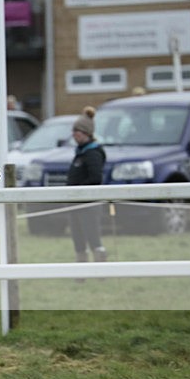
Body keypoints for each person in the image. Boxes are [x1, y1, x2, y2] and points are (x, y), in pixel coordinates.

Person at [67, 106, 107, 266]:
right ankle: (81, 270)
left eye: (78, 131)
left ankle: (100, 267)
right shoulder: (81, 152)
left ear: (86, 133)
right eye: (74, 131)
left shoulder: (93, 153)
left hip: (88, 204)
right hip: (76, 203)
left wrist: (78, 190)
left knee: (92, 236)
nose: (74, 134)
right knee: (78, 237)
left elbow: (95, 178)